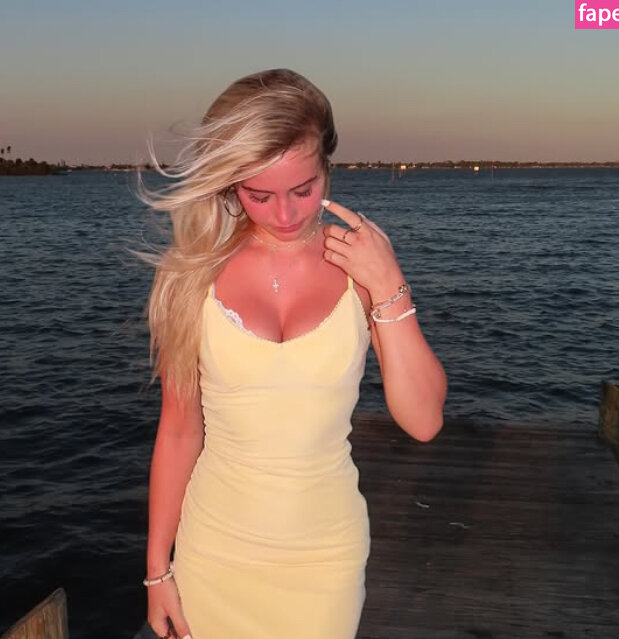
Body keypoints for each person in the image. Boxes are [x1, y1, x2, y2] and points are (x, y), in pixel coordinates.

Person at [137, 68, 447, 639]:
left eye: (303, 190)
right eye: (259, 195)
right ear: (231, 185)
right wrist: (158, 570)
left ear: (327, 168)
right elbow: (179, 432)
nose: (285, 215)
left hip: (324, 560)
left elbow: (423, 420)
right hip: (213, 553)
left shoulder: (361, 269)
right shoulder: (190, 278)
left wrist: (389, 285)